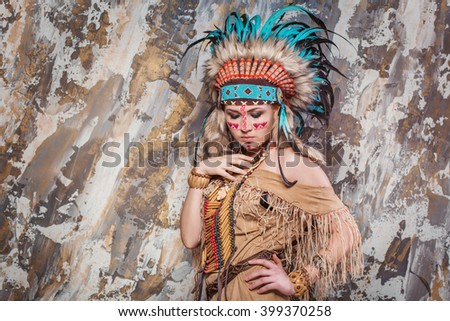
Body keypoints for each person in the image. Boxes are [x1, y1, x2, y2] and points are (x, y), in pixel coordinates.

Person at [180, 5, 363, 301]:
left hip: (262, 298)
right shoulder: (224, 167)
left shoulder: (295, 166)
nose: (244, 126)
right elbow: (191, 239)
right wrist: (200, 174)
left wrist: (299, 280)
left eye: (256, 114)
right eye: (233, 115)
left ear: (278, 112)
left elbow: (345, 233)